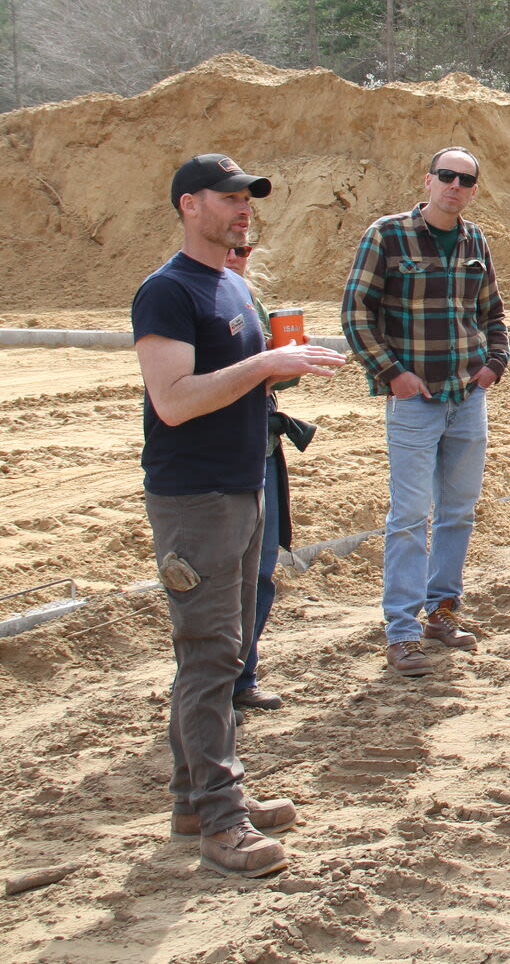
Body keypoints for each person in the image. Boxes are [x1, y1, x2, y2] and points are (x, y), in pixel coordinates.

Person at [133, 154, 344, 876]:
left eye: (248, 194)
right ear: (189, 204)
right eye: (229, 196)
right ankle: (221, 822)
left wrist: (280, 363)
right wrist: (262, 369)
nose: (243, 206)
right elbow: (175, 399)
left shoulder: (230, 281)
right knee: (210, 654)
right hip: (195, 497)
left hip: (241, 482)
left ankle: (197, 796)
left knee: (222, 648)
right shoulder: (167, 291)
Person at [342, 147, 510, 678]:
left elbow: (492, 312)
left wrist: (494, 364)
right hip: (415, 403)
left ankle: (442, 612)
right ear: (428, 180)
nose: (454, 186)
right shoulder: (386, 235)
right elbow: (355, 312)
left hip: (468, 398)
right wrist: (392, 374)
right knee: (411, 517)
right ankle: (402, 632)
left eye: (465, 179)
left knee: (458, 512)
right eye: (446, 176)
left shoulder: (475, 240)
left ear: (474, 189)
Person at [226, 243, 317, 712]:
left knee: (259, 576)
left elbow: (274, 381)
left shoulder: (249, 302)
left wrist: (287, 363)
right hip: (221, 456)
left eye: (243, 249)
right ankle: (212, 694)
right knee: (220, 580)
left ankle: (241, 678)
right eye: (228, 248)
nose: (236, 256)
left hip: (261, 446)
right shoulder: (191, 296)